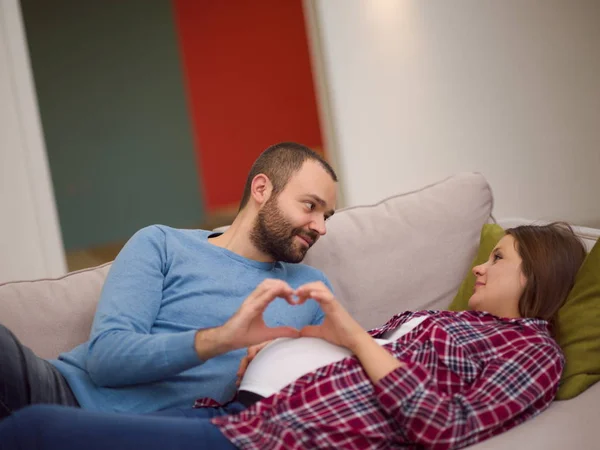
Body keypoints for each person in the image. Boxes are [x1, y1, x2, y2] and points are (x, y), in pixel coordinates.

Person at [0, 222, 587, 449]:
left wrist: (353, 336)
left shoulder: (533, 352)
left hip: (284, 439)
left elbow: (446, 426)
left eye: (499, 258)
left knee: (30, 429)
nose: (481, 267)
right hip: (239, 415)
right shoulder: (449, 323)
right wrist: (275, 347)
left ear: (535, 274)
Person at [0, 142, 338, 417]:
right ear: (262, 189)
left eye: (326, 216)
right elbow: (106, 359)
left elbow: (340, 383)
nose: (320, 227)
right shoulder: (162, 244)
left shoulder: (311, 290)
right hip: (60, 395)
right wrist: (221, 339)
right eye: (310, 206)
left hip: (161, 434)